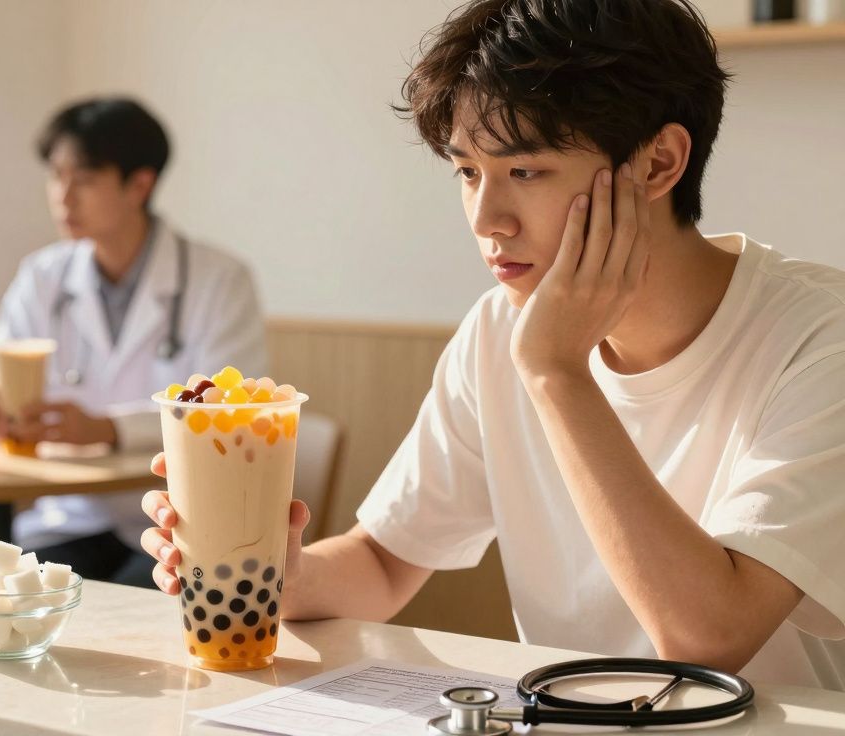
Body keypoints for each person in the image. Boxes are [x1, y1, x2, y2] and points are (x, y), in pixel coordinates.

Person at [139, 0, 845, 690]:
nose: (486, 219)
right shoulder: (498, 329)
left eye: (525, 172)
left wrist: (556, 373)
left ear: (659, 163)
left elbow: (708, 640)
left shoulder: (820, 336)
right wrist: (278, 578)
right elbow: (386, 563)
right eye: (468, 173)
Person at [0, 97, 265, 585]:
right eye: (56, 176)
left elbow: (230, 412)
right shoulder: (44, 276)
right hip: (69, 515)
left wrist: (108, 429)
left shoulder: (219, 281)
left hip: (175, 521)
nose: (62, 196)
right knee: (4, 588)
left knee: (137, 601)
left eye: (83, 179)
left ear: (139, 184)